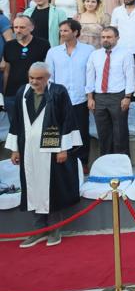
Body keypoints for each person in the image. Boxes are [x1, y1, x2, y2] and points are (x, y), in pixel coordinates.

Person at [5, 62, 80, 247]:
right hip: (28, 149)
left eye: (39, 78)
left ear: (48, 78)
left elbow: (68, 119)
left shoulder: (58, 92)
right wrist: (15, 148)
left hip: (51, 148)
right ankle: (38, 230)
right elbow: (16, 121)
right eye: (31, 78)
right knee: (32, 187)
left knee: (52, 188)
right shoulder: (22, 92)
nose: (34, 82)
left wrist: (63, 148)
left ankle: (54, 229)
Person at [44, 19, 92, 171]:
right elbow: (49, 76)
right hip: (59, 99)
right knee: (58, 131)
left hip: (80, 98)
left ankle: (82, 163)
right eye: (61, 30)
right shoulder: (53, 52)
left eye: (65, 30)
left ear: (75, 32)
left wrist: (90, 97)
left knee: (82, 131)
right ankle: (60, 163)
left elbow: (91, 75)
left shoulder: (88, 50)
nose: (62, 33)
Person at [85, 26, 134, 156]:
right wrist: (90, 98)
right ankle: (106, 161)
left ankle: (122, 161)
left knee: (120, 131)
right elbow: (90, 77)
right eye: (103, 37)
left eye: (109, 37)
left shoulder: (125, 54)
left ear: (117, 38)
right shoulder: (95, 55)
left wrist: (127, 97)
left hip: (118, 96)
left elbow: (130, 76)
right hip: (99, 97)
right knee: (103, 132)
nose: (105, 40)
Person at [2, 16, 51, 115]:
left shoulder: (43, 44)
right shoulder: (9, 45)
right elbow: (7, 70)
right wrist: (4, 92)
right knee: (14, 128)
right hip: (12, 94)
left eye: (22, 27)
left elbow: (48, 70)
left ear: (31, 28)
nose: (18, 30)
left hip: (36, 93)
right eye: (15, 27)